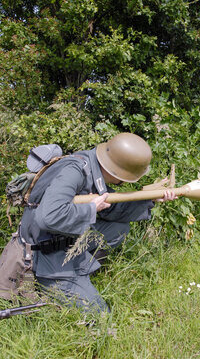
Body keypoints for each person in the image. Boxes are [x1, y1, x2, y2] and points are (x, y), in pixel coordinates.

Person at [2, 133, 177, 312]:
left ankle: (79, 272)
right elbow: (49, 216)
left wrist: (151, 200)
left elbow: (112, 209)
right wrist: (91, 209)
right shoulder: (75, 170)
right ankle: (53, 284)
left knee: (117, 229)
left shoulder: (93, 167)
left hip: (61, 241)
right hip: (44, 256)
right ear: (118, 170)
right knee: (100, 315)